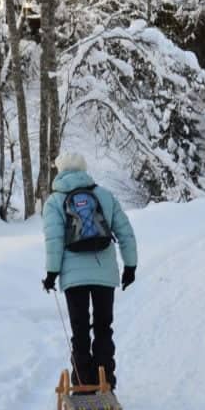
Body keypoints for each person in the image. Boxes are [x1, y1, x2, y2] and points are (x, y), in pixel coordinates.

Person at [42, 151, 138, 394]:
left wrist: (52, 273)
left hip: (73, 279)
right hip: (104, 274)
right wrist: (130, 266)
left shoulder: (54, 202)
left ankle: (84, 386)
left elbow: (53, 240)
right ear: (84, 169)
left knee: (80, 331)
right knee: (104, 328)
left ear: (60, 171)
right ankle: (106, 382)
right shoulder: (105, 196)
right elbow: (126, 233)